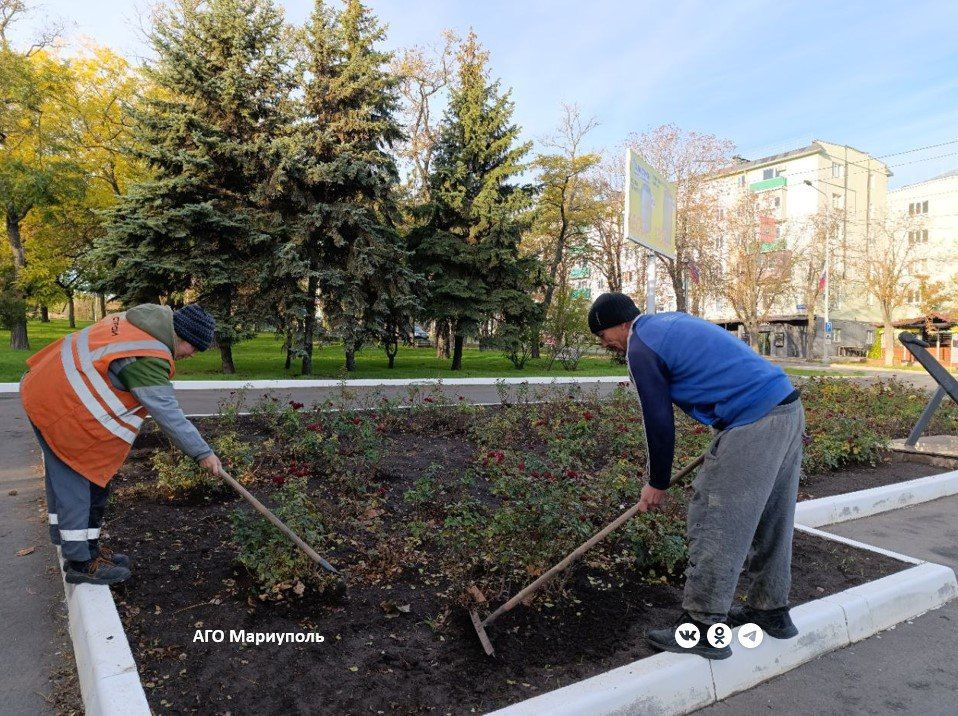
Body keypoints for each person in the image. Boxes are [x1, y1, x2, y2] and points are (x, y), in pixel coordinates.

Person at [588, 292, 805, 660]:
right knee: (773, 519)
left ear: (623, 323)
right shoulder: (667, 324)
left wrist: (656, 482)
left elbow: (657, 420)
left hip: (753, 421)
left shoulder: (641, 347)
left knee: (715, 520)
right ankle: (770, 611)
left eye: (603, 333)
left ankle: (701, 629)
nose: (603, 341)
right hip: (785, 409)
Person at [20, 303, 223, 585]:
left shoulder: (139, 324)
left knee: (90, 481)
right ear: (183, 338)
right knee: (78, 480)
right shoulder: (148, 356)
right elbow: (168, 414)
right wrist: (203, 452)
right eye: (195, 348)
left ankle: (86, 549)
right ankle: (80, 563)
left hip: (48, 391)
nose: (192, 355)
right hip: (60, 408)